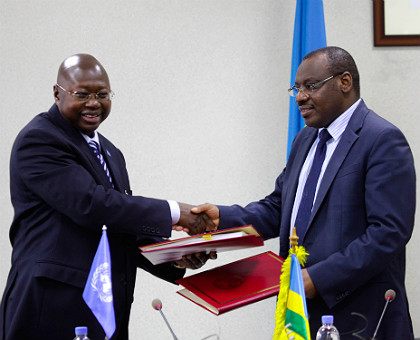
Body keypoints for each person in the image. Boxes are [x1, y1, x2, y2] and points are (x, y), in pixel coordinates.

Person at [190, 47, 416, 340]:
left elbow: (388, 234)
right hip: (298, 314)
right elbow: (279, 207)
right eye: (296, 88)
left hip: (360, 317)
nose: (300, 97)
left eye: (311, 86)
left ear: (344, 82)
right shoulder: (306, 138)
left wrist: (317, 279)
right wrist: (222, 218)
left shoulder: (382, 139)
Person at [0, 54, 215, 340]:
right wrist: (177, 212)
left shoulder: (111, 152)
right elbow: (93, 206)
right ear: (57, 93)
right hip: (51, 306)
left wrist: (176, 256)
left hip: (105, 310)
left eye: (102, 94)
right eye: (82, 94)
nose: (93, 103)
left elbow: (119, 224)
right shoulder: (40, 139)